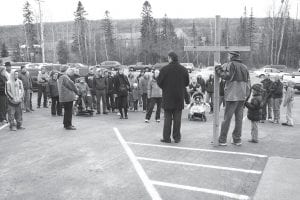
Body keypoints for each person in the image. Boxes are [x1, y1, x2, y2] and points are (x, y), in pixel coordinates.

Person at [215, 51, 250, 146]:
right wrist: (246, 97)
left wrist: (217, 68)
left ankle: (222, 140)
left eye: (229, 55)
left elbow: (225, 76)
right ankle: (237, 139)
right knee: (239, 120)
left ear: (231, 56)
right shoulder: (245, 67)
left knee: (227, 119)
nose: (228, 56)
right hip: (242, 97)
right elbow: (248, 84)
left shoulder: (231, 65)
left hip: (232, 96)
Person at [157, 51, 189, 143]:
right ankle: (177, 137)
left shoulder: (164, 69)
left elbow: (159, 82)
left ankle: (166, 138)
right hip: (179, 97)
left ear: (170, 58)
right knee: (177, 119)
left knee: (167, 119)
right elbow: (186, 83)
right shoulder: (183, 69)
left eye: (168, 58)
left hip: (168, 97)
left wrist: (166, 88)